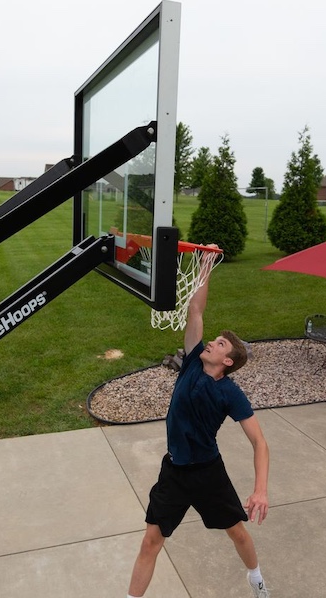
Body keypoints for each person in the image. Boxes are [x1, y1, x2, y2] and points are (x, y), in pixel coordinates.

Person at [127, 249, 271, 598]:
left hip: (208, 472)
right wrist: (205, 266)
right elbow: (196, 310)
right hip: (175, 471)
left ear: (228, 360)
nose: (210, 343)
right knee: (151, 541)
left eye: (218, 344)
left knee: (237, 532)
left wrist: (261, 489)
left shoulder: (230, 393)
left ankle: (257, 579)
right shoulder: (192, 361)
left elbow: (259, 442)